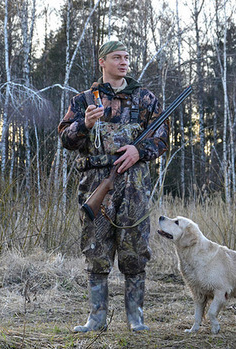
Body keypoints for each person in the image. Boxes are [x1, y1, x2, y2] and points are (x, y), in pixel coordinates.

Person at [58, 41, 169, 332]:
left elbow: (161, 140)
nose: (123, 62)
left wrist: (138, 151)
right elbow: (67, 141)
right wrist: (83, 124)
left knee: (134, 250)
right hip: (95, 183)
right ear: (102, 62)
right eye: (116, 57)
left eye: (126, 57)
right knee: (95, 248)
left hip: (134, 186)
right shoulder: (84, 100)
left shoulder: (145, 98)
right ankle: (96, 319)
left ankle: (136, 318)